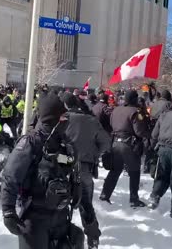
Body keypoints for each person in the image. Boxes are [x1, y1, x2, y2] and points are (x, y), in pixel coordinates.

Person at [1, 93, 84, 249]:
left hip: (60, 216)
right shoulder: (31, 142)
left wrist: (77, 186)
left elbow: (74, 167)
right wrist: (8, 210)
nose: (66, 120)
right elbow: (10, 176)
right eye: (63, 116)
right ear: (52, 117)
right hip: (34, 218)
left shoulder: (65, 142)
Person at [62, 93, 111, 249]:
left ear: (65, 105)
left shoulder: (61, 120)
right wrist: (94, 155)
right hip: (84, 167)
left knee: (58, 202)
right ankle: (93, 238)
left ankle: (61, 237)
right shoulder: (91, 120)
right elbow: (105, 142)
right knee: (86, 204)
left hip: (62, 166)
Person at [100, 91, 150, 207]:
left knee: (115, 171)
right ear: (134, 99)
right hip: (129, 144)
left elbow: (111, 124)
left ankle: (104, 195)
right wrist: (148, 133)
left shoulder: (116, 109)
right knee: (134, 172)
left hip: (115, 143)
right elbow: (139, 131)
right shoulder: (136, 112)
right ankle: (134, 199)